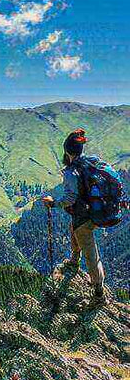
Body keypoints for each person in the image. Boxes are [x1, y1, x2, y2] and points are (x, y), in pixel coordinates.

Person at [42, 129, 107, 304]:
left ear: (67, 152)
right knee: (75, 229)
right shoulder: (90, 163)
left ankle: (99, 291)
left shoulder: (72, 172)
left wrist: (53, 202)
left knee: (90, 251)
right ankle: (74, 259)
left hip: (84, 216)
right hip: (95, 210)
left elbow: (70, 199)